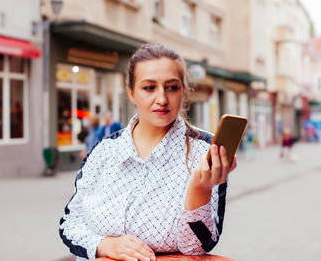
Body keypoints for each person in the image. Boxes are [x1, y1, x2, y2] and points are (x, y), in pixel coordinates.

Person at [59, 44, 237, 261]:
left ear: (184, 90)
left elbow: (198, 246)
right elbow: (70, 222)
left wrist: (200, 188)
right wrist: (104, 245)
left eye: (171, 87)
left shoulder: (205, 151)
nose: (162, 99)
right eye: (149, 88)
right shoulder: (104, 150)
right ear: (131, 92)